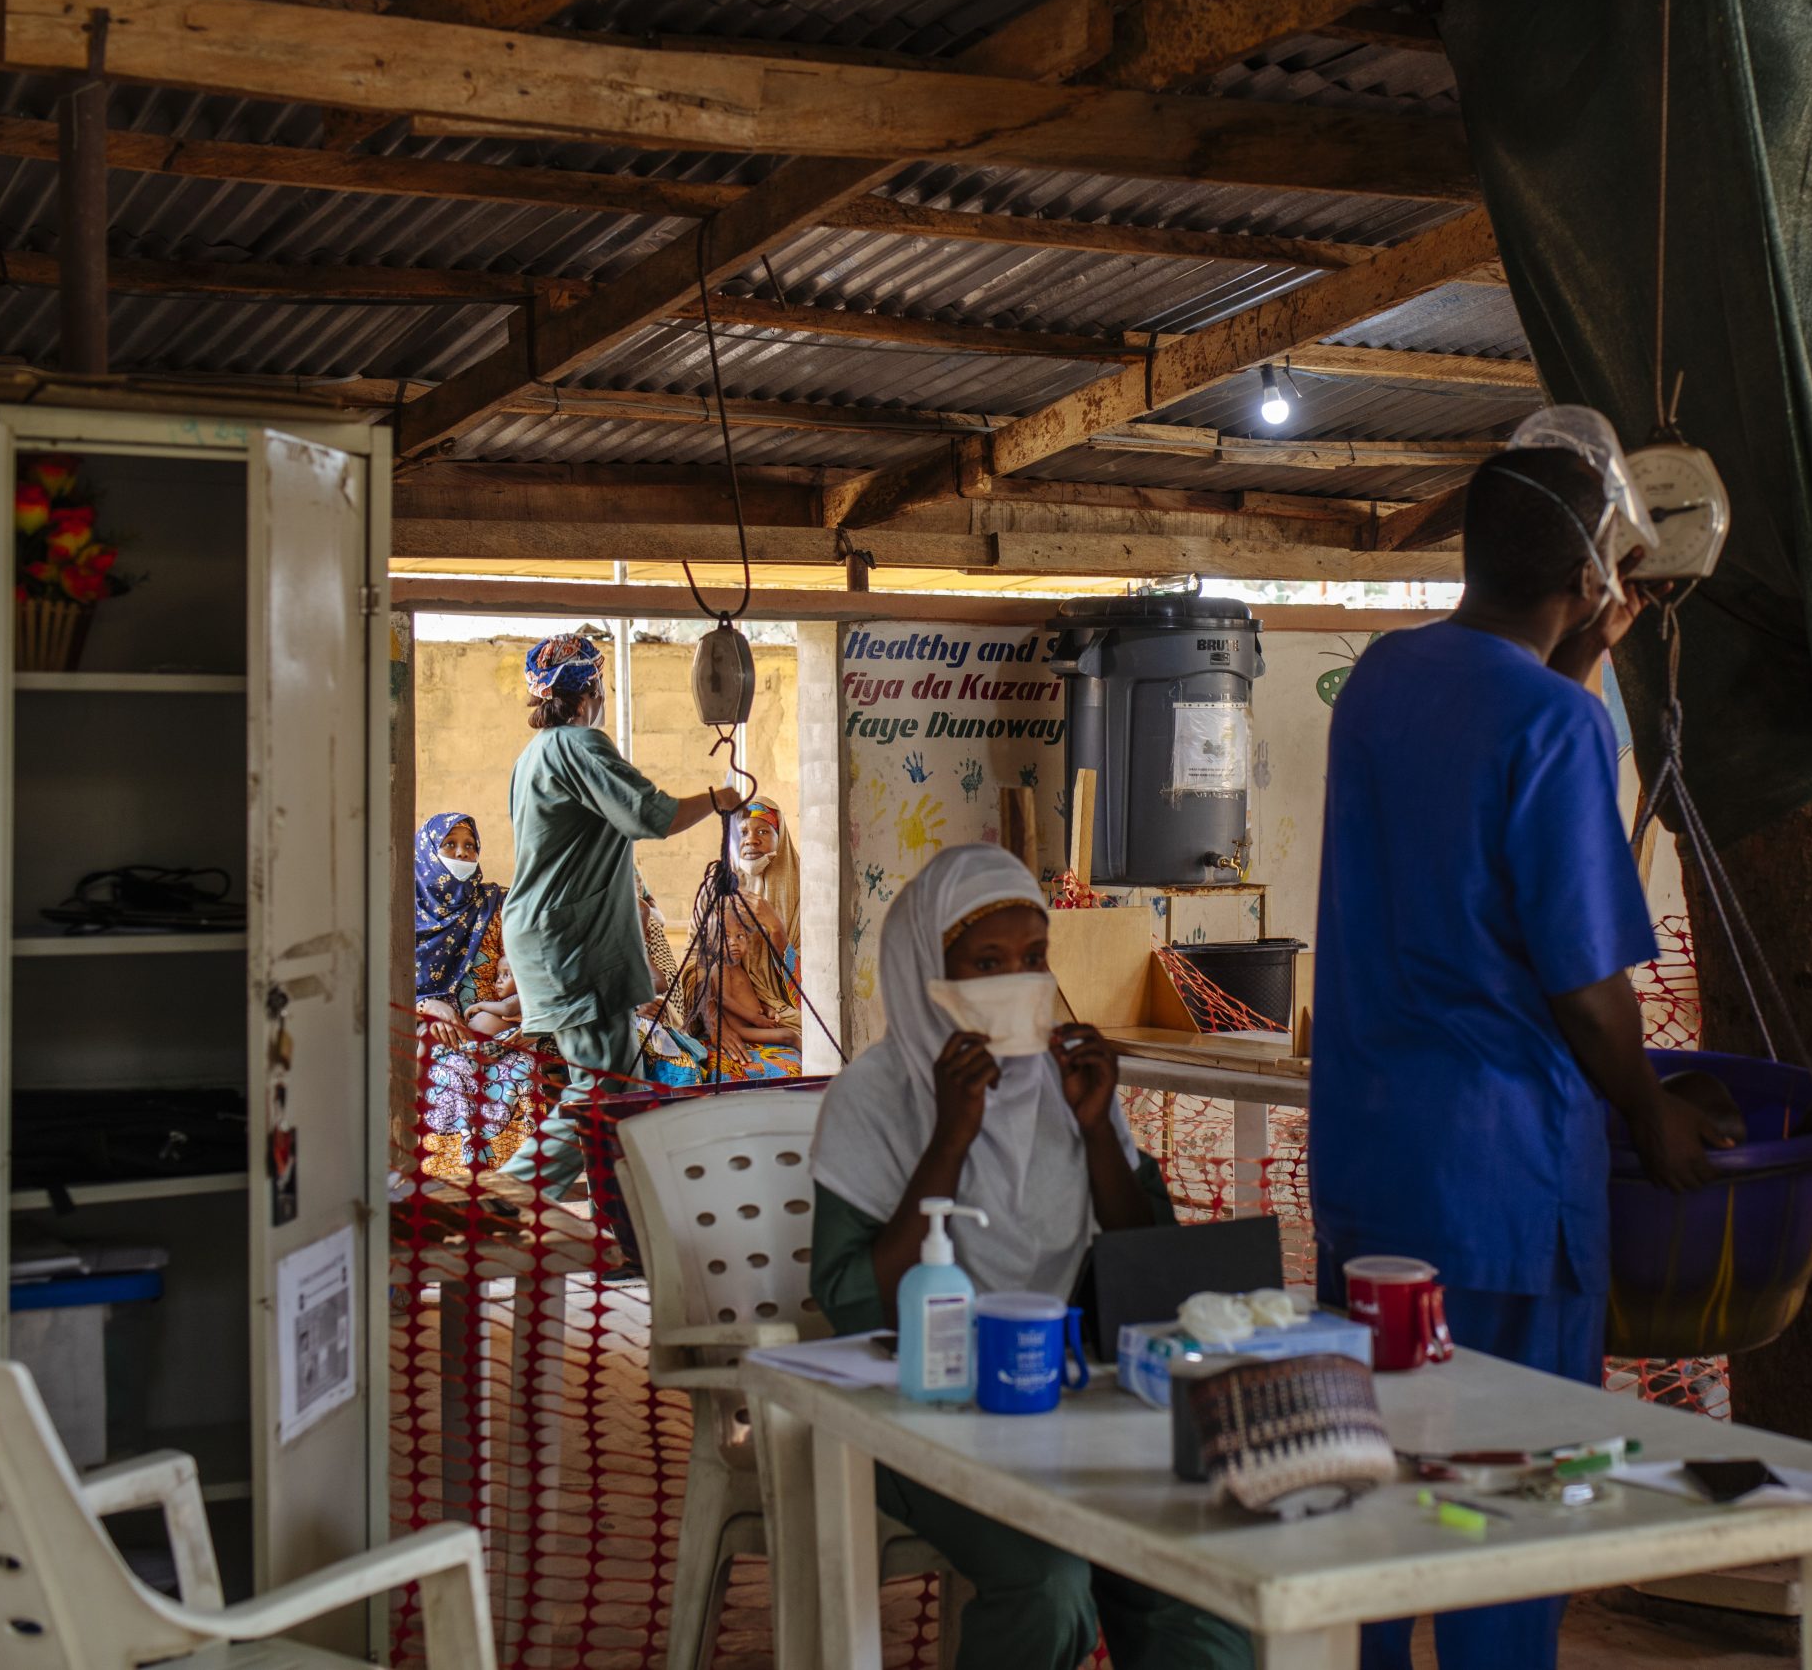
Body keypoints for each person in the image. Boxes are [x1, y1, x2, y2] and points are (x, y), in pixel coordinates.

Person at [1310, 425, 1729, 1670]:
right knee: (1510, 1492)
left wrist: (1579, 662)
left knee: (1384, 1476)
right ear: (1595, 582)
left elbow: (1474, 787)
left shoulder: (1382, 679)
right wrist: (1649, 1113)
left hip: (1372, 1169)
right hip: (1503, 1180)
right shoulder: (1558, 728)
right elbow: (1584, 984)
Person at [808, 844, 1251, 1670]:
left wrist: (1094, 1130)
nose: (1018, 981)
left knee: (1201, 1587)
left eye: (1034, 958)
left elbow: (1146, 1269)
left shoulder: (1063, 1081)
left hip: (1068, 1402)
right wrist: (950, 1135)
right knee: (1048, 1587)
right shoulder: (873, 1099)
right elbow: (853, 1304)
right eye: (985, 963)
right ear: (925, 970)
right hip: (913, 1413)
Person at [497, 634, 743, 1191]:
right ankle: (505, 1197)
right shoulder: (580, 744)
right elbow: (648, 816)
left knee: (619, 1087)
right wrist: (718, 799)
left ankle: (625, 1218)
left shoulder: (533, 756)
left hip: (555, 934)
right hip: (570, 940)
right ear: (591, 691)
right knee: (604, 1090)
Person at [412, 812, 541, 1176]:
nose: (462, 853)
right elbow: (379, 980)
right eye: (450, 845)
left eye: (470, 846)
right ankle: (451, 1184)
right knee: (450, 1075)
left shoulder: (494, 906)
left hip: (494, 1029)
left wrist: (519, 1010)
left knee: (521, 1069)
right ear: (426, 852)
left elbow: (525, 968)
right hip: (428, 1028)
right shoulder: (402, 910)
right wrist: (427, 1002)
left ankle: (512, 1188)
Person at [677, 797, 805, 1081]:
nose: (752, 840)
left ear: (780, 838)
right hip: (723, 1016)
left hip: (780, 1012)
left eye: (763, 832)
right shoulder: (714, 886)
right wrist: (715, 1023)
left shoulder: (805, 888)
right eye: (743, 832)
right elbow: (692, 964)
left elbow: (812, 987)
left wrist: (776, 930)